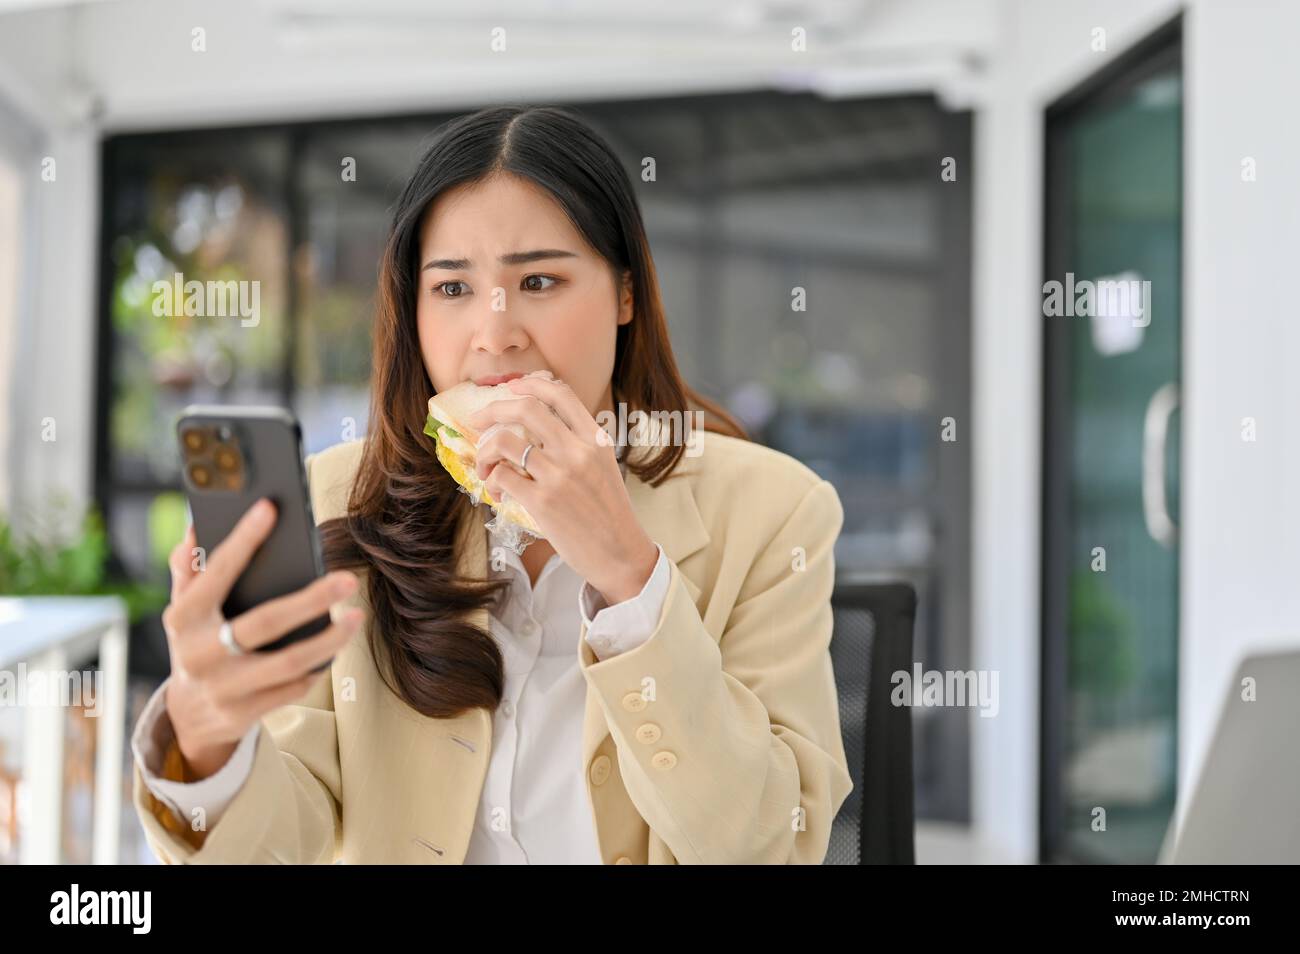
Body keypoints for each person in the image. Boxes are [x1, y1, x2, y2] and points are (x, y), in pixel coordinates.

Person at [131, 104, 852, 864]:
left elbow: (770, 843)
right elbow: (282, 845)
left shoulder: (776, 511)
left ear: (626, 297)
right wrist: (208, 748)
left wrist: (629, 578)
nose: (495, 331)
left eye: (538, 279)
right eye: (451, 289)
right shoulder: (337, 499)